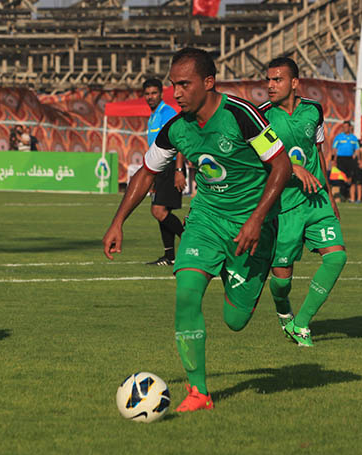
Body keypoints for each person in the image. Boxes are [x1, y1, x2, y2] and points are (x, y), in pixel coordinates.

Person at [102, 48, 291, 413]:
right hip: (205, 219)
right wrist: (117, 221)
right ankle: (199, 392)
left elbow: (281, 166)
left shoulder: (241, 115)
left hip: (251, 225)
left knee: (235, 321)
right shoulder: (177, 127)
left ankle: (251, 271)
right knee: (186, 293)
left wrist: (257, 219)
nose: (177, 93)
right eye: (174, 85)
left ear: (208, 82)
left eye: (184, 85)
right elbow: (146, 173)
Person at [258, 57, 346, 347]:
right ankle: (284, 312)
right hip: (283, 206)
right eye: (269, 80)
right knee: (282, 279)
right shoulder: (261, 117)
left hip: (316, 199)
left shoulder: (313, 111)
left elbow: (318, 152)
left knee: (336, 257)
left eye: (278, 79)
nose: (270, 85)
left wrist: (331, 197)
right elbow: (258, 161)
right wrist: (291, 168)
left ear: (294, 83)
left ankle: (302, 323)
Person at [142, 77, 187, 266]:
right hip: (159, 168)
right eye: (147, 94)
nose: (150, 97)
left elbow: (178, 142)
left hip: (171, 166)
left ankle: (190, 240)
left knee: (158, 210)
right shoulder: (153, 116)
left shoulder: (167, 112)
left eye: (154, 93)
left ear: (161, 94)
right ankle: (169, 256)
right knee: (162, 210)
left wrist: (178, 170)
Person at [332, 121, 361, 202]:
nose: (345, 128)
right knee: (341, 178)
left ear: (350, 127)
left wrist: (358, 159)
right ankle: (340, 197)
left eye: (346, 127)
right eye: (343, 127)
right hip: (340, 159)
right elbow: (334, 149)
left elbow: (357, 149)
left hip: (350, 160)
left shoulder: (354, 138)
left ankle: (351, 198)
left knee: (351, 178)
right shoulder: (338, 137)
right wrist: (333, 160)